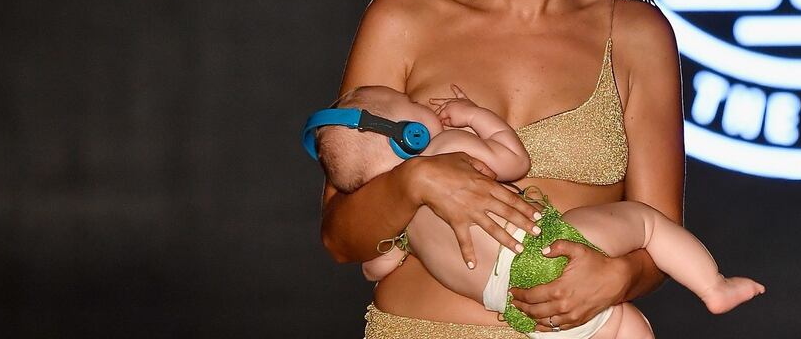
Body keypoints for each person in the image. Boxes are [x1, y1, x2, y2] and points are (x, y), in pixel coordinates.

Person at [321, 0, 692, 337]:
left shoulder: (638, 36)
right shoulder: (403, 18)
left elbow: (659, 236)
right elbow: (339, 236)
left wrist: (617, 278)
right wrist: (416, 183)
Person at [313, 84, 764, 337]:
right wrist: (475, 115)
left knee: (622, 324)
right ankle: (713, 285)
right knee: (644, 223)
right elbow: (514, 161)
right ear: (408, 134)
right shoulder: (446, 147)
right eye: (412, 105)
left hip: (517, 307)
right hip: (540, 250)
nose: (421, 105)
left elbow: (376, 265)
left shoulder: (399, 221)